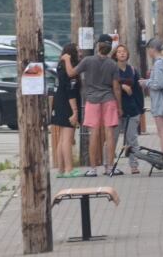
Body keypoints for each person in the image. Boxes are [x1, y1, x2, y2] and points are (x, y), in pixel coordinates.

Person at [62, 34, 122, 177]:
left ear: (98, 46)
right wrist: (119, 106)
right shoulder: (113, 64)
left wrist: (66, 59)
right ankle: (109, 167)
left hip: (92, 100)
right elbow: (116, 88)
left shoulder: (88, 61)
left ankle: (93, 168)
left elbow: (71, 73)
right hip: (109, 99)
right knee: (110, 134)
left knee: (93, 134)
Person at [139, 38, 163, 155]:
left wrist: (145, 83)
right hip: (162, 101)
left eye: (148, 49)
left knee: (162, 132)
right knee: (162, 132)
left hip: (160, 102)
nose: (148, 53)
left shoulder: (159, 63)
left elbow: (159, 84)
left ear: (152, 49)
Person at [112, 44, 143, 175]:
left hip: (132, 109)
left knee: (132, 139)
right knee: (112, 138)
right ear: (115, 55)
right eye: (119, 52)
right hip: (116, 110)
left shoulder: (132, 70)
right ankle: (109, 164)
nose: (122, 54)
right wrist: (122, 85)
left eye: (124, 51)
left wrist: (140, 110)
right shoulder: (112, 70)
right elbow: (110, 85)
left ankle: (134, 165)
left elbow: (138, 91)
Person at [52, 43, 81, 178]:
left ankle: (61, 169)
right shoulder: (70, 70)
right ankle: (69, 169)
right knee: (67, 139)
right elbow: (71, 91)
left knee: (62, 139)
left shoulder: (60, 66)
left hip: (58, 103)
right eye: (77, 51)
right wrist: (75, 111)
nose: (80, 53)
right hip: (67, 104)